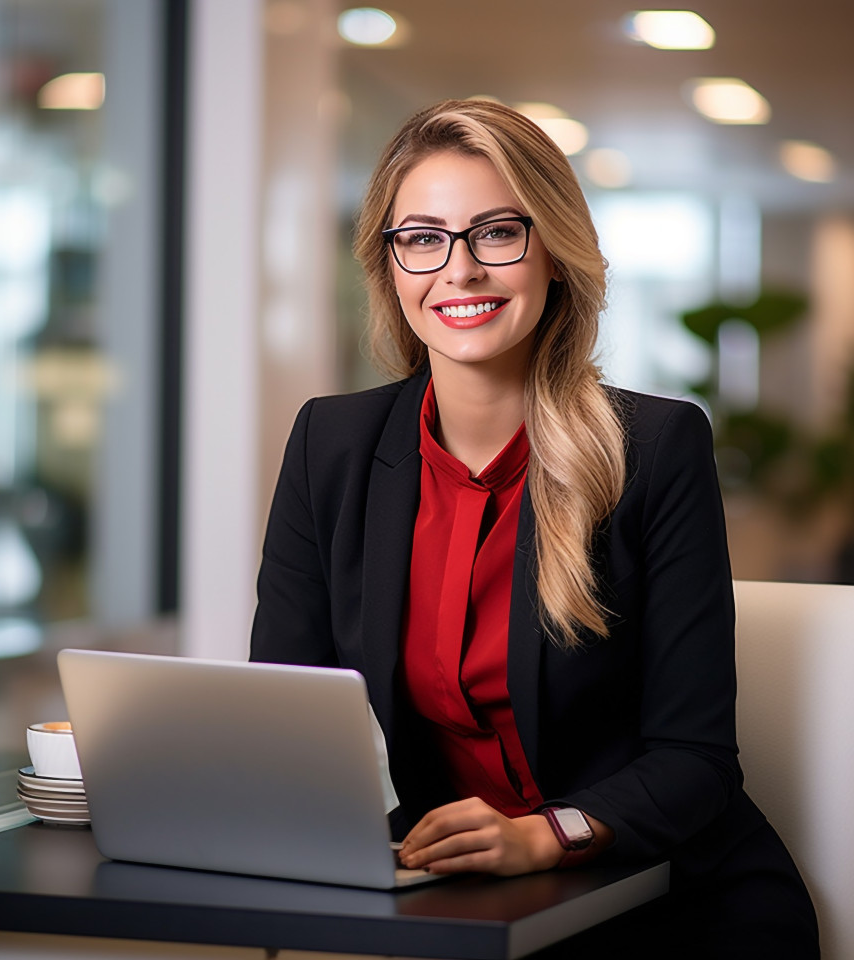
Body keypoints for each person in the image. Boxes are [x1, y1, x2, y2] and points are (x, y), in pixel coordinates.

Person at [250, 98, 819, 958]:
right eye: (424, 238)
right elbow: (283, 714)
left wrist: (545, 834)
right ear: (390, 265)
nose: (460, 269)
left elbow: (694, 759)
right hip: (456, 902)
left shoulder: (656, 449)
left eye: (496, 233)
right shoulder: (329, 445)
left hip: (659, 896)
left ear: (554, 252)